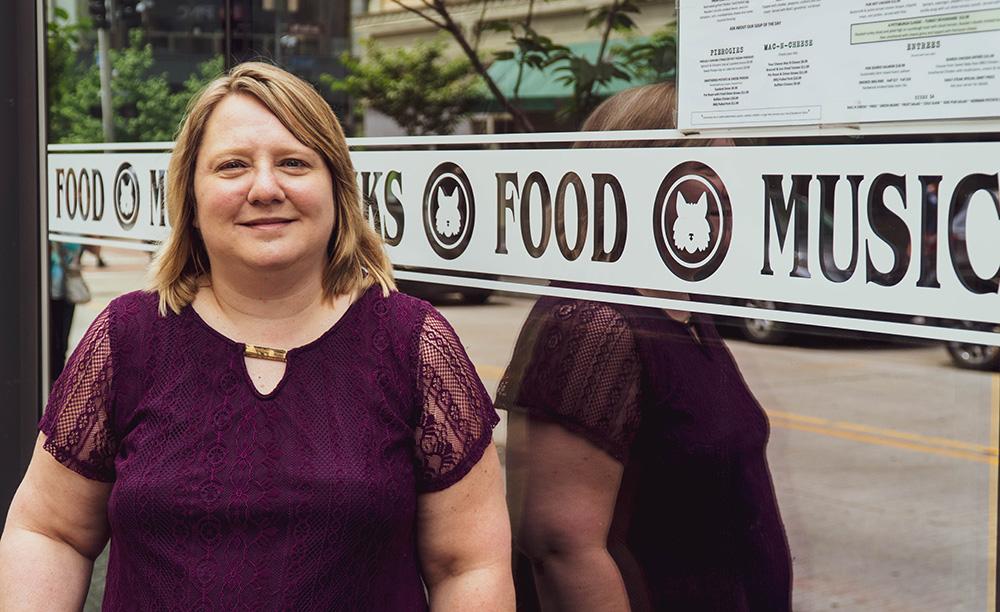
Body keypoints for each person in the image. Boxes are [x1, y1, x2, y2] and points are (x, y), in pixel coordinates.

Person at [0, 62, 514, 611]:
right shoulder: (127, 338)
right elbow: (50, 533)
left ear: (338, 190)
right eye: (232, 166)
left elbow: (468, 566)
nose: (265, 188)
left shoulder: (412, 343)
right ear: (191, 199)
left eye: (294, 162)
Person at [497, 83, 793, 611]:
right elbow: (561, 546)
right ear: (636, 181)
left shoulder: (683, 305)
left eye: (732, 174)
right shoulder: (594, 321)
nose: (729, 190)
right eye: (706, 172)